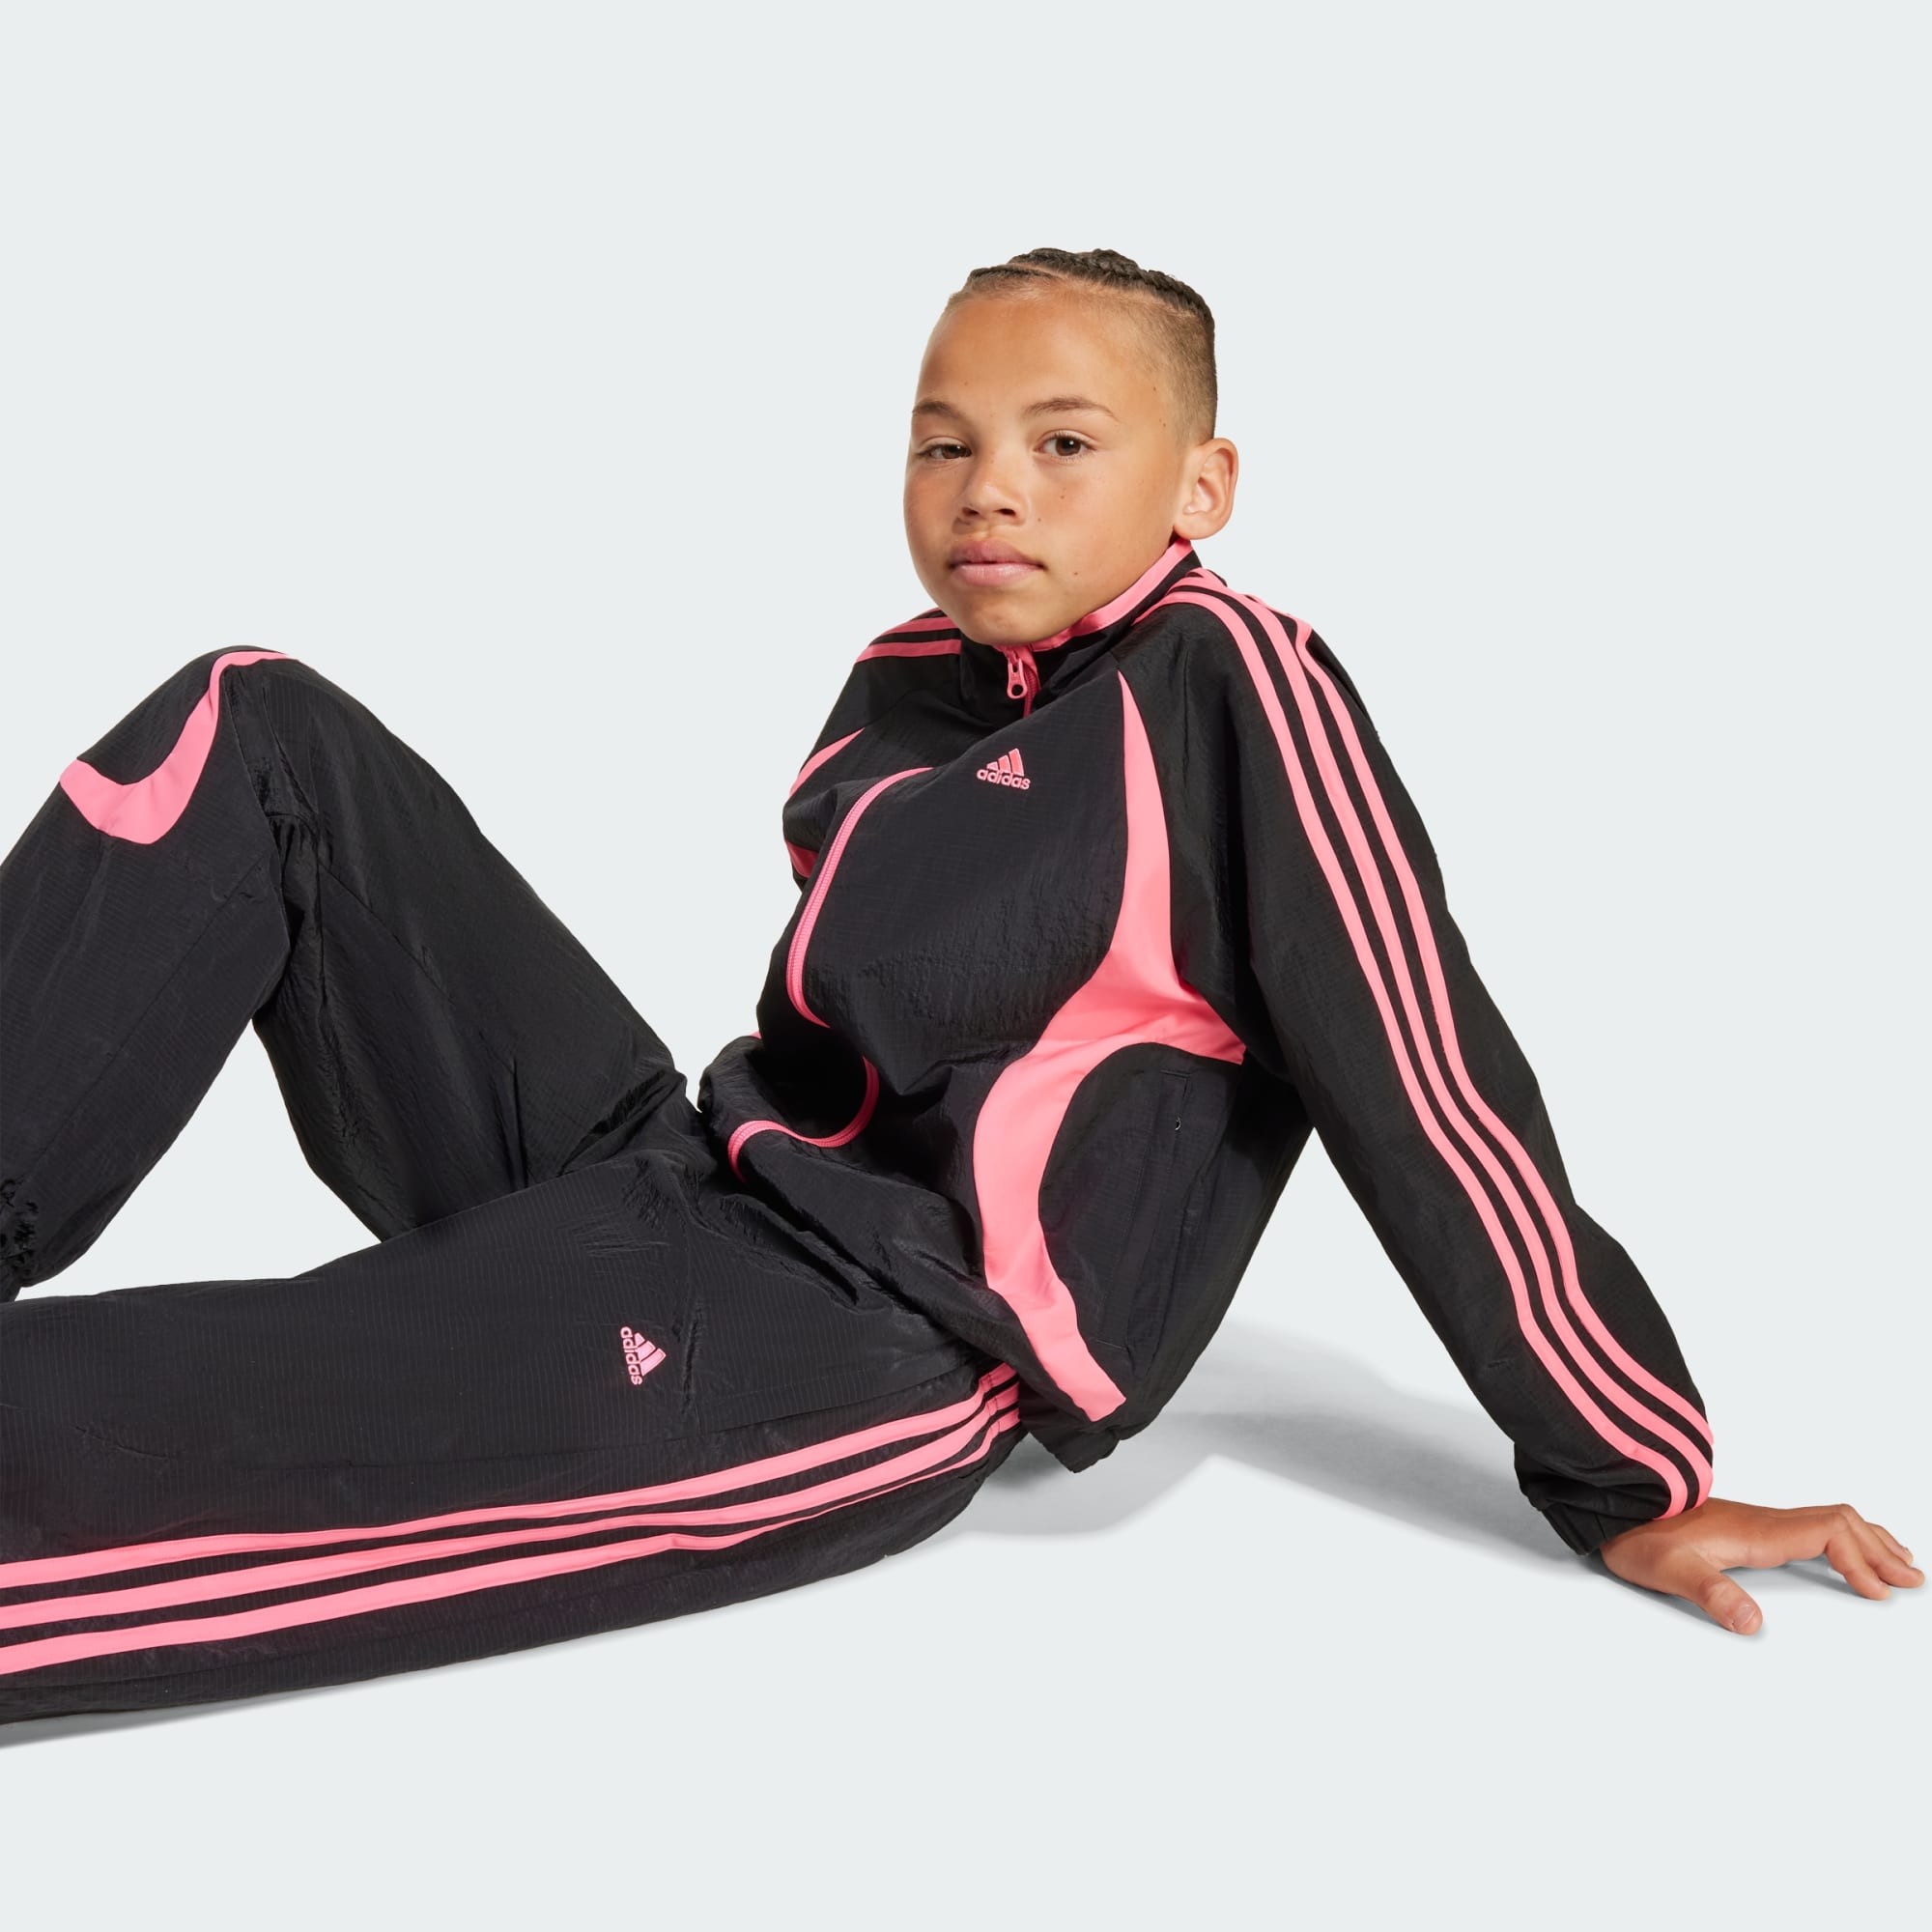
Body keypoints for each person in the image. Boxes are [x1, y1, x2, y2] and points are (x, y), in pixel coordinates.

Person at [0, 246, 1916, 1724]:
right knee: (259, 727)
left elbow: (1422, 1072)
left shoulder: (1226, 686)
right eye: (944, 442)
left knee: (121, 1425)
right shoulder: (913, 679)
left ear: (1202, 480)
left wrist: (1629, 1468)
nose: (989, 488)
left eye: (1063, 444)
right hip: (686, 1176)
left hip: (849, 1334)